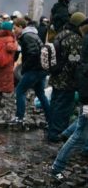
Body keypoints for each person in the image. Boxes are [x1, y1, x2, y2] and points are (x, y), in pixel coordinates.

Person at [51, 18, 88, 181]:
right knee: (80, 131)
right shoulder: (77, 40)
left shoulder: (62, 34)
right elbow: (79, 66)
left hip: (60, 79)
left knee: (58, 107)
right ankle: (57, 165)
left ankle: (61, 133)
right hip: (70, 83)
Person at [47, 12, 86, 142]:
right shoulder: (75, 38)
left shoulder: (61, 33)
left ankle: (51, 131)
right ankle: (56, 134)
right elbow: (73, 59)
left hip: (56, 76)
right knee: (63, 108)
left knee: (55, 104)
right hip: (66, 80)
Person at [11, 18, 50, 124]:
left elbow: (33, 54)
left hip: (34, 69)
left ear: (20, 26)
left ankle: (19, 117)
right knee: (40, 93)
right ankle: (50, 118)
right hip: (41, 69)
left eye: (14, 28)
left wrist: (24, 68)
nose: (13, 31)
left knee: (20, 91)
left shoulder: (27, 36)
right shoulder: (32, 34)